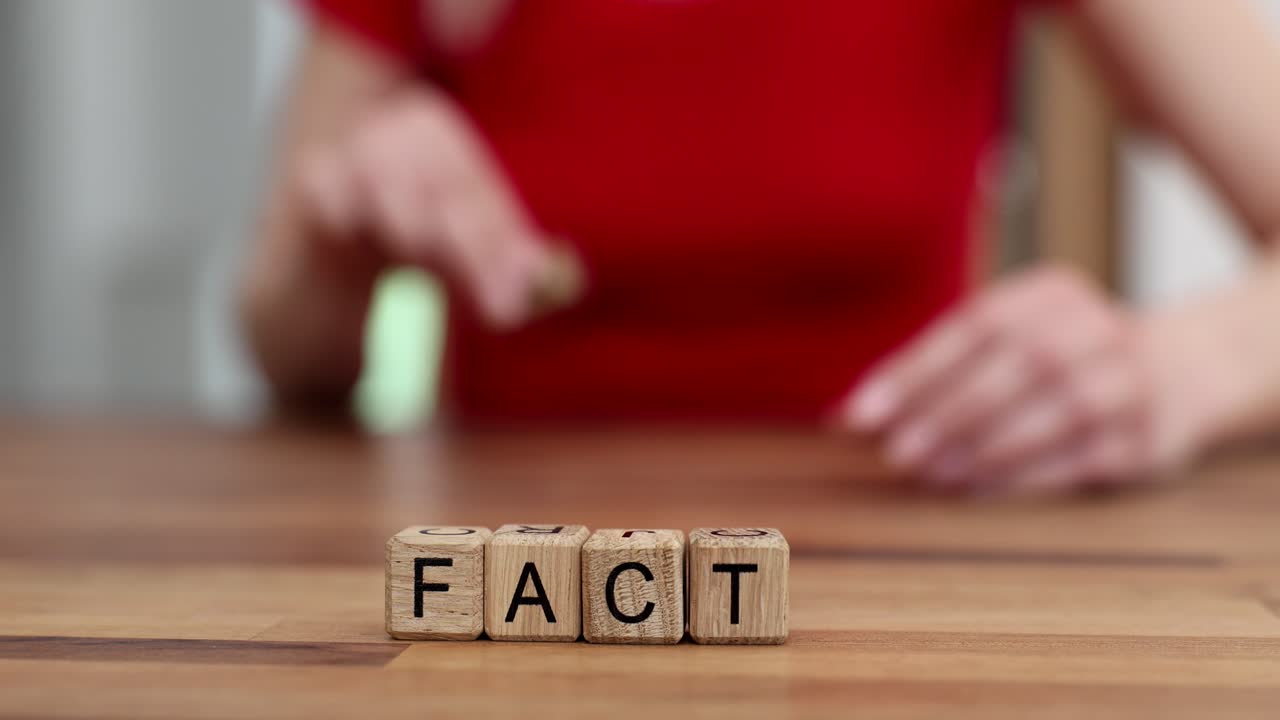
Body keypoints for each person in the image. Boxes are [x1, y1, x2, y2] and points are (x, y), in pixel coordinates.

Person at [241, 0, 1280, 496]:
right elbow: (280, 341)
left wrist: (1170, 369)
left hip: (910, 574)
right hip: (516, 603)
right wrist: (338, 248)